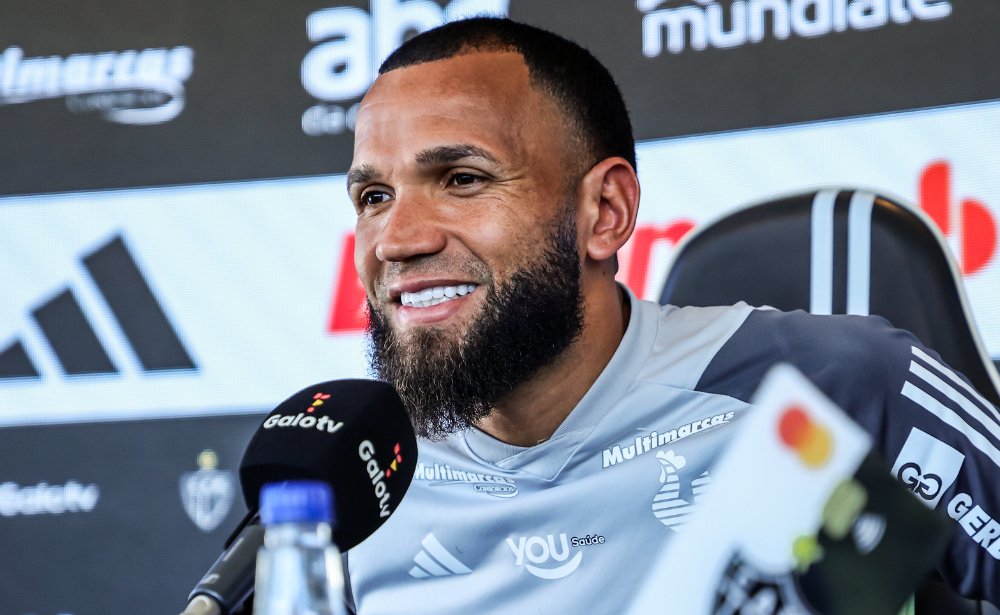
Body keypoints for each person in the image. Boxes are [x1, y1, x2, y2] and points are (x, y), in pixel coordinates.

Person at [344, 16, 999, 613]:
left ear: (605, 212)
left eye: (463, 179)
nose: (396, 240)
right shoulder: (353, 475)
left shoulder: (836, 386)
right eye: (374, 195)